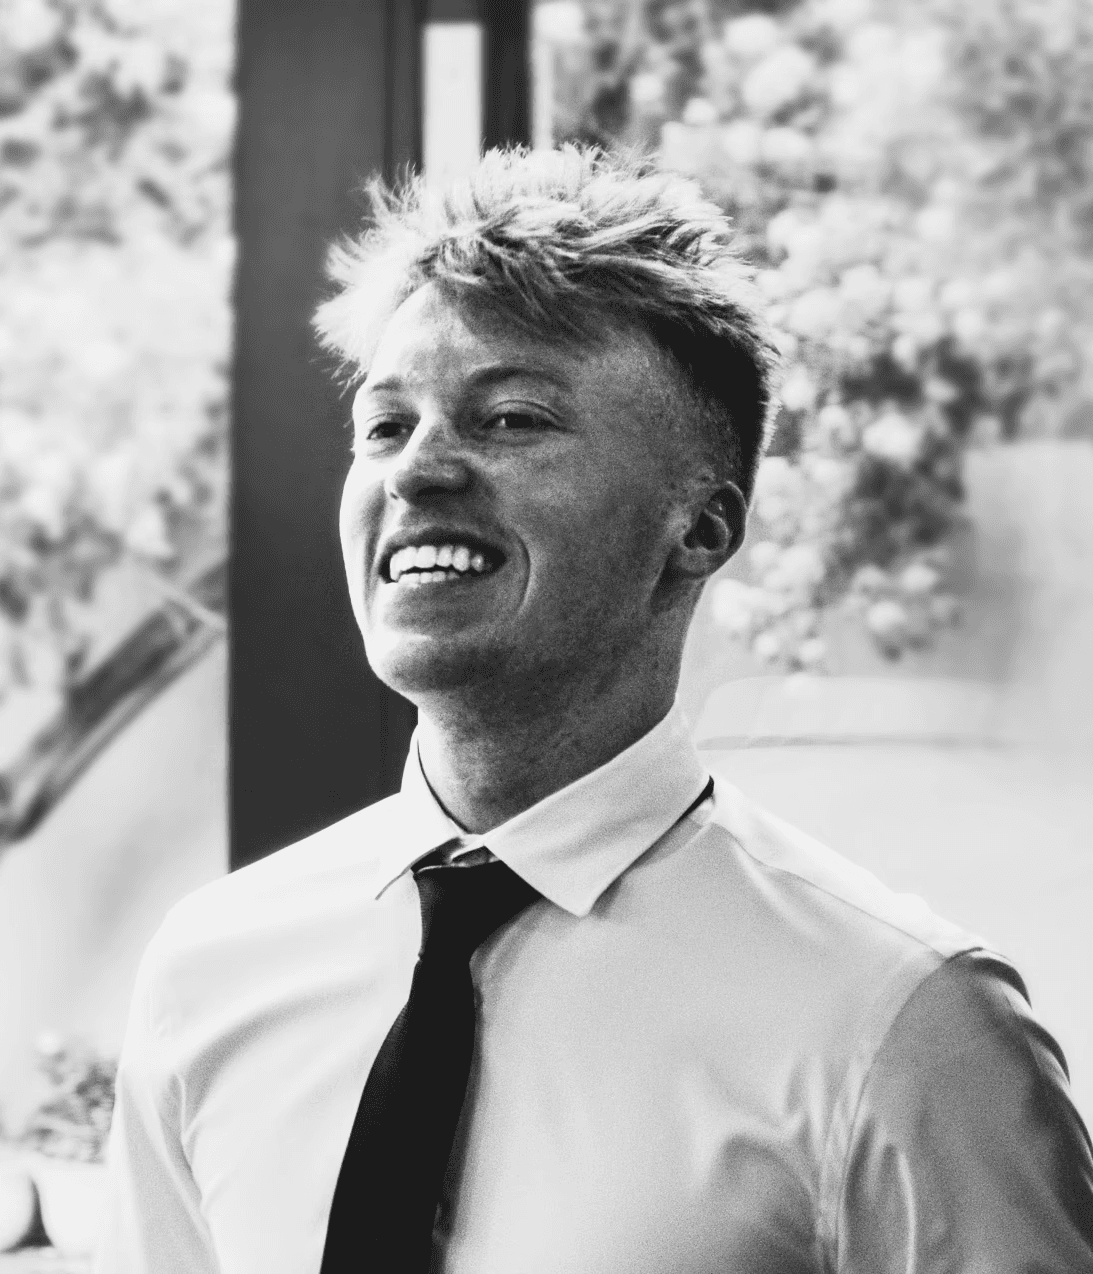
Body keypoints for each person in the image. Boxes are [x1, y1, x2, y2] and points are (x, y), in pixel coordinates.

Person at [98, 147, 1093, 1273]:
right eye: (385, 424)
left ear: (702, 528)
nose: (418, 470)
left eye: (512, 418)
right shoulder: (208, 971)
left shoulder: (906, 1027)